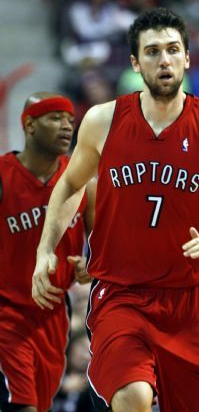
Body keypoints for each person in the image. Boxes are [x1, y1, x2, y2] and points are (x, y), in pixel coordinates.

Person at [32, 8, 199, 412]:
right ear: (135, 62)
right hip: (121, 294)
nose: (163, 60)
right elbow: (70, 185)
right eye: (152, 52)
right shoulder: (102, 121)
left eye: (172, 50)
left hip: (192, 297)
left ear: (186, 58)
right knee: (132, 396)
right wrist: (45, 250)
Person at [0, 92, 96, 412]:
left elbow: (103, 246)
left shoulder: (82, 180)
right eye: (55, 118)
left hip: (55, 313)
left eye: (70, 120)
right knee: (22, 403)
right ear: (29, 125)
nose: (67, 126)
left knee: (39, 404)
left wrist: (90, 264)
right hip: (8, 310)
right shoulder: (3, 176)